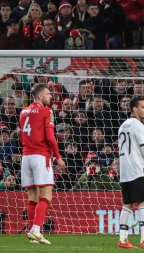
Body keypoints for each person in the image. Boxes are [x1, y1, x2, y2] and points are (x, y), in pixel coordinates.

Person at [19, 84, 66, 244]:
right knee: (46, 195)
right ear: (40, 96)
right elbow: (50, 137)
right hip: (40, 156)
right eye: (48, 94)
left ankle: (33, 236)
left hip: (26, 157)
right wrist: (58, 157)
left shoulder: (23, 112)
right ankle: (36, 229)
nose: (50, 96)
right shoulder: (47, 111)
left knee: (32, 196)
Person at [117, 96, 144, 249]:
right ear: (134, 109)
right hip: (138, 170)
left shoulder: (123, 125)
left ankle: (123, 240)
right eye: (143, 107)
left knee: (127, 205)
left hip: (124, 171)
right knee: (143, 203)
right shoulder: (138, 125)